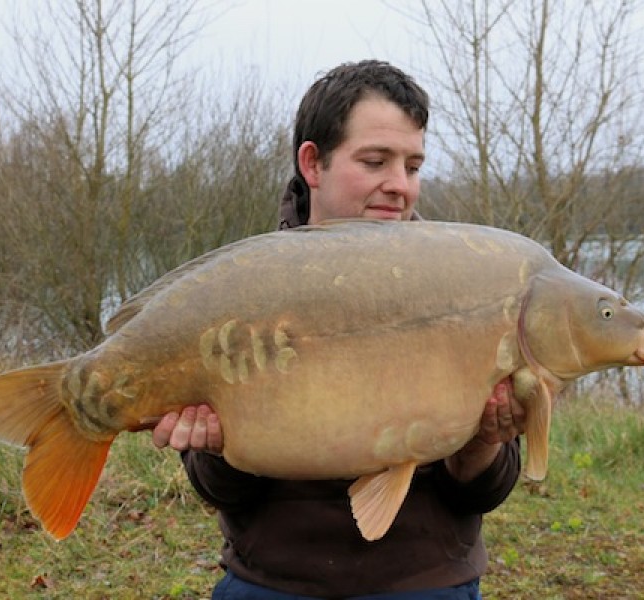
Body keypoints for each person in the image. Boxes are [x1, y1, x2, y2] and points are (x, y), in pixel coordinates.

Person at [152, 60, 527, 599]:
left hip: (426, 582)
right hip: (274, 582)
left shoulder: (468, 287)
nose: (399, 186)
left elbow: (483, 491)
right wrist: (212, 446)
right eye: (375, 161)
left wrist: (482, 444)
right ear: (314, 163)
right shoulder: (244, 289)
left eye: (413, 166)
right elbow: (221, 491)